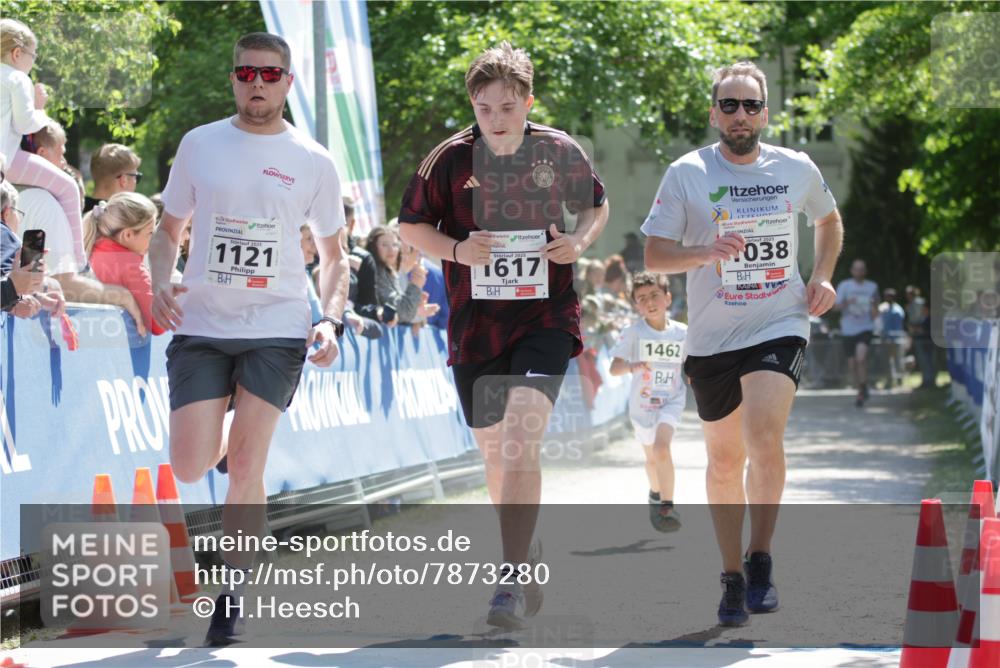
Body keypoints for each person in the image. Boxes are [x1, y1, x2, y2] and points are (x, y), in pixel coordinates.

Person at [147, 31, 350, 645]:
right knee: (189, 466)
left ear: (287, 81)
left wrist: (329, 319)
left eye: (269, 74)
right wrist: (160, 282)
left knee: (246, 465)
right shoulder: (199, 143)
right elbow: (167, 231)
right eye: (245, 73)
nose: (256, 84)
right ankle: (229, 421)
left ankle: (232, 596)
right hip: (203, 325)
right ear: (233, 77)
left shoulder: (312, 159)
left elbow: (335, 257)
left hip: (276, 327)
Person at [398, 41, 609, 630]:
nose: (496, 119)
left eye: (508, 107)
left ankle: (510, 579)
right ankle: (524, 549)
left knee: (520, 440)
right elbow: (410, 226)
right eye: (485, 108)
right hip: (477, 327)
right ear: (473, 104)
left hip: (546, 317)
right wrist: (457, 249)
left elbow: (597, 206)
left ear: (528, 103)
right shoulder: (449, 159)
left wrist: (579, 242)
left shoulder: (558, 150)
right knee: (495, 454)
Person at [643, 61, 842, 627]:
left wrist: (822, 276)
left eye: (750, 105)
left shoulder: (795, 167)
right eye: (728, 105)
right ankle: (731, 576)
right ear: (714, 114)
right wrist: (704, 253)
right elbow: (654, 254)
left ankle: (761, 558)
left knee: (762, 434)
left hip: (780, 320)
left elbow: (828, 221)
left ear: (764, 114)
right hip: (711, 338)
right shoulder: (687, 172)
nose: (739, 115)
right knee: (725, 461)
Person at [1, 19, 85, 268]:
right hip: (7, 160)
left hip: (8, 161)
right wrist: (41, 111)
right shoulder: (17, 78)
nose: (33, 63)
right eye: (33, 56)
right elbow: (25, 124)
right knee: (68, 187)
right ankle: (79, 260)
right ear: (17, 53)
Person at [608, 272, 687, 533]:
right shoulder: (633, 333)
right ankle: (655, 492)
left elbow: (693, 365)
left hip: (671, 400)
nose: (650, 302)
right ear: (636, 305)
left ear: (668, 298)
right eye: (642, 298)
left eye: (655, 295)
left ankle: (667, 506)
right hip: (642, 406)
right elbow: (614, 369)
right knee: (652, 459)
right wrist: (634, 365)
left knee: (662, 449)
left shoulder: (682, 333)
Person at [85, 192, 165, 336]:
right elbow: (158, 324)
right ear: (127, 235)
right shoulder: (132, 267)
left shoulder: (90, 247)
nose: (153, 239)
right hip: (116, 346)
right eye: (150, 233)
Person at [835, 259, 879, 407]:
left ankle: (862, 390)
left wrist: (873, 308)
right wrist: (848, 302)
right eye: (856, 269)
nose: (859, 272)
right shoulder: (844, 285)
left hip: (865, 328)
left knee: (861, 358)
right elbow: (835, 307)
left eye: (862, 269)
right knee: (852, 364)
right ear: (852, 270)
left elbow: (876, 312)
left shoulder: (872, 286)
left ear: (865, 271)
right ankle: (862, 388)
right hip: (848, 330)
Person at [84, 143, 142, 214]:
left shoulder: (77, 208)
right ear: (124, 180)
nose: (136, 182)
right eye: (137, 177)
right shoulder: (128, 217)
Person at [906, 285, 935, 388]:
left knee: (927, 361)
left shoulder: (919, 304)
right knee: (923, 361)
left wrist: (915, 328)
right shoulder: (911, 305)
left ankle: (929, 381)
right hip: (919, 337)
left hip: (925, 338)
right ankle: (926, 381)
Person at [877, 287, 906, 389]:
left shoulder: (897, 310)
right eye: (887, 296)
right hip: (885, 339)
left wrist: (894, 337)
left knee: (897, 360)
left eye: (890, 296)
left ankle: (899, 380)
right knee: (887, 362)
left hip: (895, 339)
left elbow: (898, 326)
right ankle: (889, 381)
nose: (888, 298)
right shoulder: (883, 309)